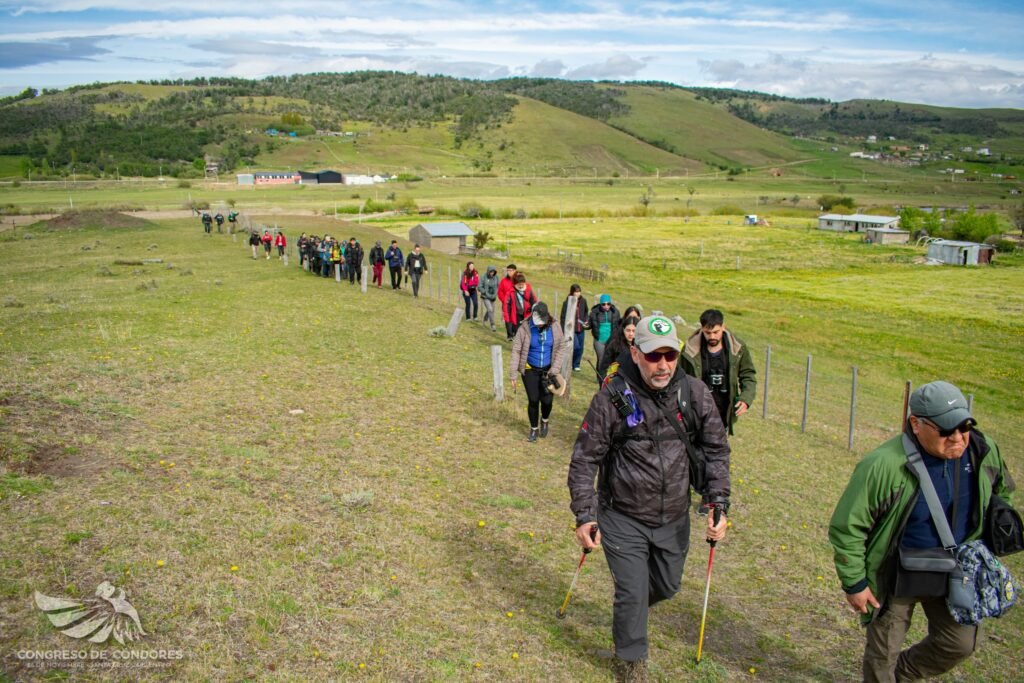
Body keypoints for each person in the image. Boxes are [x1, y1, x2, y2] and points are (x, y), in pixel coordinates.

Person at [568, 315, 730, 680]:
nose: (663, 365)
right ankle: (630, 662)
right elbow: (584, 459)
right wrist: (584, 514)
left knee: (667, 586)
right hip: (622, 515)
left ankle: (632, 612)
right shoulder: (611, 397)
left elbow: (717, 451)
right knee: (631, 592)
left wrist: (718, 501)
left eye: (669, 356)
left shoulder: (695, 393)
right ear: (635, 352)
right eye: (654, 356)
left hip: (674, 516)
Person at [829, 380, 1016, 683]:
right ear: (916, 424)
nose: (958, 438)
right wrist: (855, 583)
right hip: (896, 575)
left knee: (961, 643)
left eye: (964, 427)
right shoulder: (883, 465)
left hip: (957, 572)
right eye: (945, 430)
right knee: (882, 656)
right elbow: (847, 526)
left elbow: (1002, 492)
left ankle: (899, 675)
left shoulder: (983, 450)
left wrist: (994, 533)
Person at [679, 309, 756, 435]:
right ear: (702, 329)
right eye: (708, 333)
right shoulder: (689, 351)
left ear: (723, 327)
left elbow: (748, 374)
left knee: (719, 450)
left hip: (724, 412)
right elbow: (679, 379)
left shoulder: (737, 348)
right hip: (698, 412)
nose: (712, 336)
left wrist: (746, 398)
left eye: (716, 332)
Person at [510, 302, 565, 442]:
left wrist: (555, 369)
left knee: (547, 400)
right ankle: (533, 429)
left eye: (542, 322)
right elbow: (516, 350)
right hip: (530, 370)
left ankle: (545, 420)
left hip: (548, 371)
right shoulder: (525, 327)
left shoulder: (555, 326)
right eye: (537, 322)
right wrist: (513, 374)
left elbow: (560, 348)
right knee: (533, 400)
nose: (539, 325)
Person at [598, 314, 640, 383]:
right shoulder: (614, 345)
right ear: (623, 330)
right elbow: (604, 368)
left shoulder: (642, 348)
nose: (631, 334)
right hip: (616, 384)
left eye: (634, 331)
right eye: (628, 330)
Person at [559, 284, 589, 372]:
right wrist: (563, 329)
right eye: (576, 292)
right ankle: (570, 363)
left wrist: (586, 320)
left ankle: (576, 364)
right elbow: (563, 317)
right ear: (572, 292)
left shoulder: (583, 301)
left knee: (580, 348)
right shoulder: (567, 302)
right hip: (571, 329)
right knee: (575, 346)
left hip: (581, 328)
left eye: (579, 291)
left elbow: (586, 312)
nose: (577, 293)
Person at [587, 294, 621, 366]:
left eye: (608, 304)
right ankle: (600, 377)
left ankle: (609, 377)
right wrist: (585, 325)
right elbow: (589, 324)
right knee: (601, 359)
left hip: (611, 340)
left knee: (611, 360)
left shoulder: (615, 312)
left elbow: (619, 325)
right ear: (600, 304)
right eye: (604, 304)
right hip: (599, 340)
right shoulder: (594, 312)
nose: (606, 306)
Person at [502, 272, 535, 338]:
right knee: (518, 330)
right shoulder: (510, 292)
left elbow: (533, 300)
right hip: (516, 314)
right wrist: (506, 315)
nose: (521, 286)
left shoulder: (528, 289)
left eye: (522, 284)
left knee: (527, 330)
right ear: (515, 284)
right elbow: (506, 304)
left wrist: (533, 308)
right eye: (519, 284)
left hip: (527, 313)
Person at [497, 264, 518, 341]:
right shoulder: (503, 281)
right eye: (507, 270)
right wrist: (504, 300)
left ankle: (514, 332)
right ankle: (509, 335)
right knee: (508, 319)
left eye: (510, 270)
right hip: (506, 304)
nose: (508, 272)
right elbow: (500, 292)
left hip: (516, 304)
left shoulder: (518, 280)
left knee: (516, 319)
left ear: (515, 271)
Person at [479, 266, 499, 332]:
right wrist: (484, 291)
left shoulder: (496, 277)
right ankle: (492, 325)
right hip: (485, 296)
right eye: (491, 272)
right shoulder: (484, 277)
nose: (492, 273)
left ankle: (485, 319)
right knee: (490, 309)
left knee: (490, 310)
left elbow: (498, 286)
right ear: (488, 271)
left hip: (493, 297)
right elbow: (479, 286)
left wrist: (496, 293)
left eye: (493, 272)